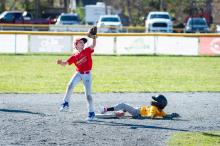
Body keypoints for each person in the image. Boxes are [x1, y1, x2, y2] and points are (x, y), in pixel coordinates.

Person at [57, 36, 96, 121]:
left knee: (88, 95)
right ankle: (65, 103)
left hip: (87, 74)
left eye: (83, 42)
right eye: (80, 42)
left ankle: (91, 113)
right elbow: (66, 63)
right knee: (70, 85)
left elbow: (93, 45)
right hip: (78, 73)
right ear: (76, 45)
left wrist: (94, 38)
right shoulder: (74, 56)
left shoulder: (87, 50)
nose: (83, 43)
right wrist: (61, 63)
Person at [100, 94, 179, 119]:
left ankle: (106, 109)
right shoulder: (160, 110)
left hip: (136, 112)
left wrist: (138, 116)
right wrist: (172, 115)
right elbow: (165, 116)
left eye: (156, 101)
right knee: (125, 107)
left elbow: (149, 116)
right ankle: (120, 113)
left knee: (123, 104)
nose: (154, 101)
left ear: (159, 104)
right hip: (138, 109)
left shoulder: (154, 108)